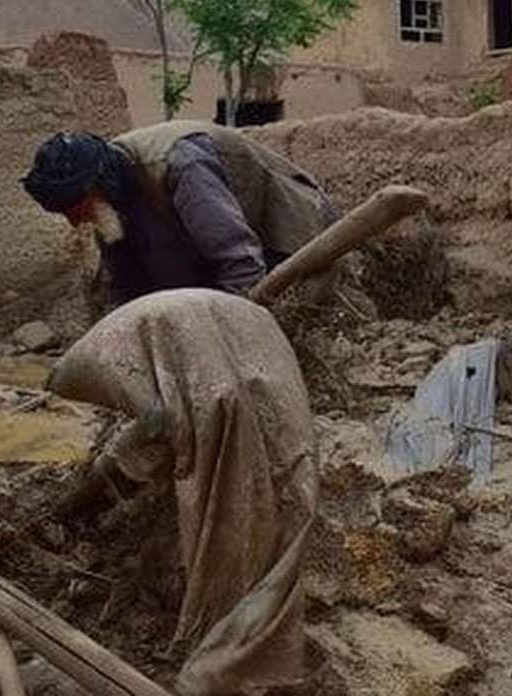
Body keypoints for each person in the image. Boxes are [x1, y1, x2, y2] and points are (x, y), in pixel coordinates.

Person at [47, 288, 318, 694]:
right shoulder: (145, 357)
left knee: (248, 512)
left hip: (224, 368)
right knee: (279, 482)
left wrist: (97, 483)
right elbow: (153, 424)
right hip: (248, 339)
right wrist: (104, 473)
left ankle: (232, 649)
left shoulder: (110, 365)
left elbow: (159, 419)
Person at [22, 120, 336, 305]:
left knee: (298, 315)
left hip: (294, 236)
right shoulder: (111, 202)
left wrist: (228, 340)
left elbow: (239, 264)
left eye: (76, 209)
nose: (75, 222)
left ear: (97, 186)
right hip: (239, 253)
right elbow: (126, 289)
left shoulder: (180, 165)